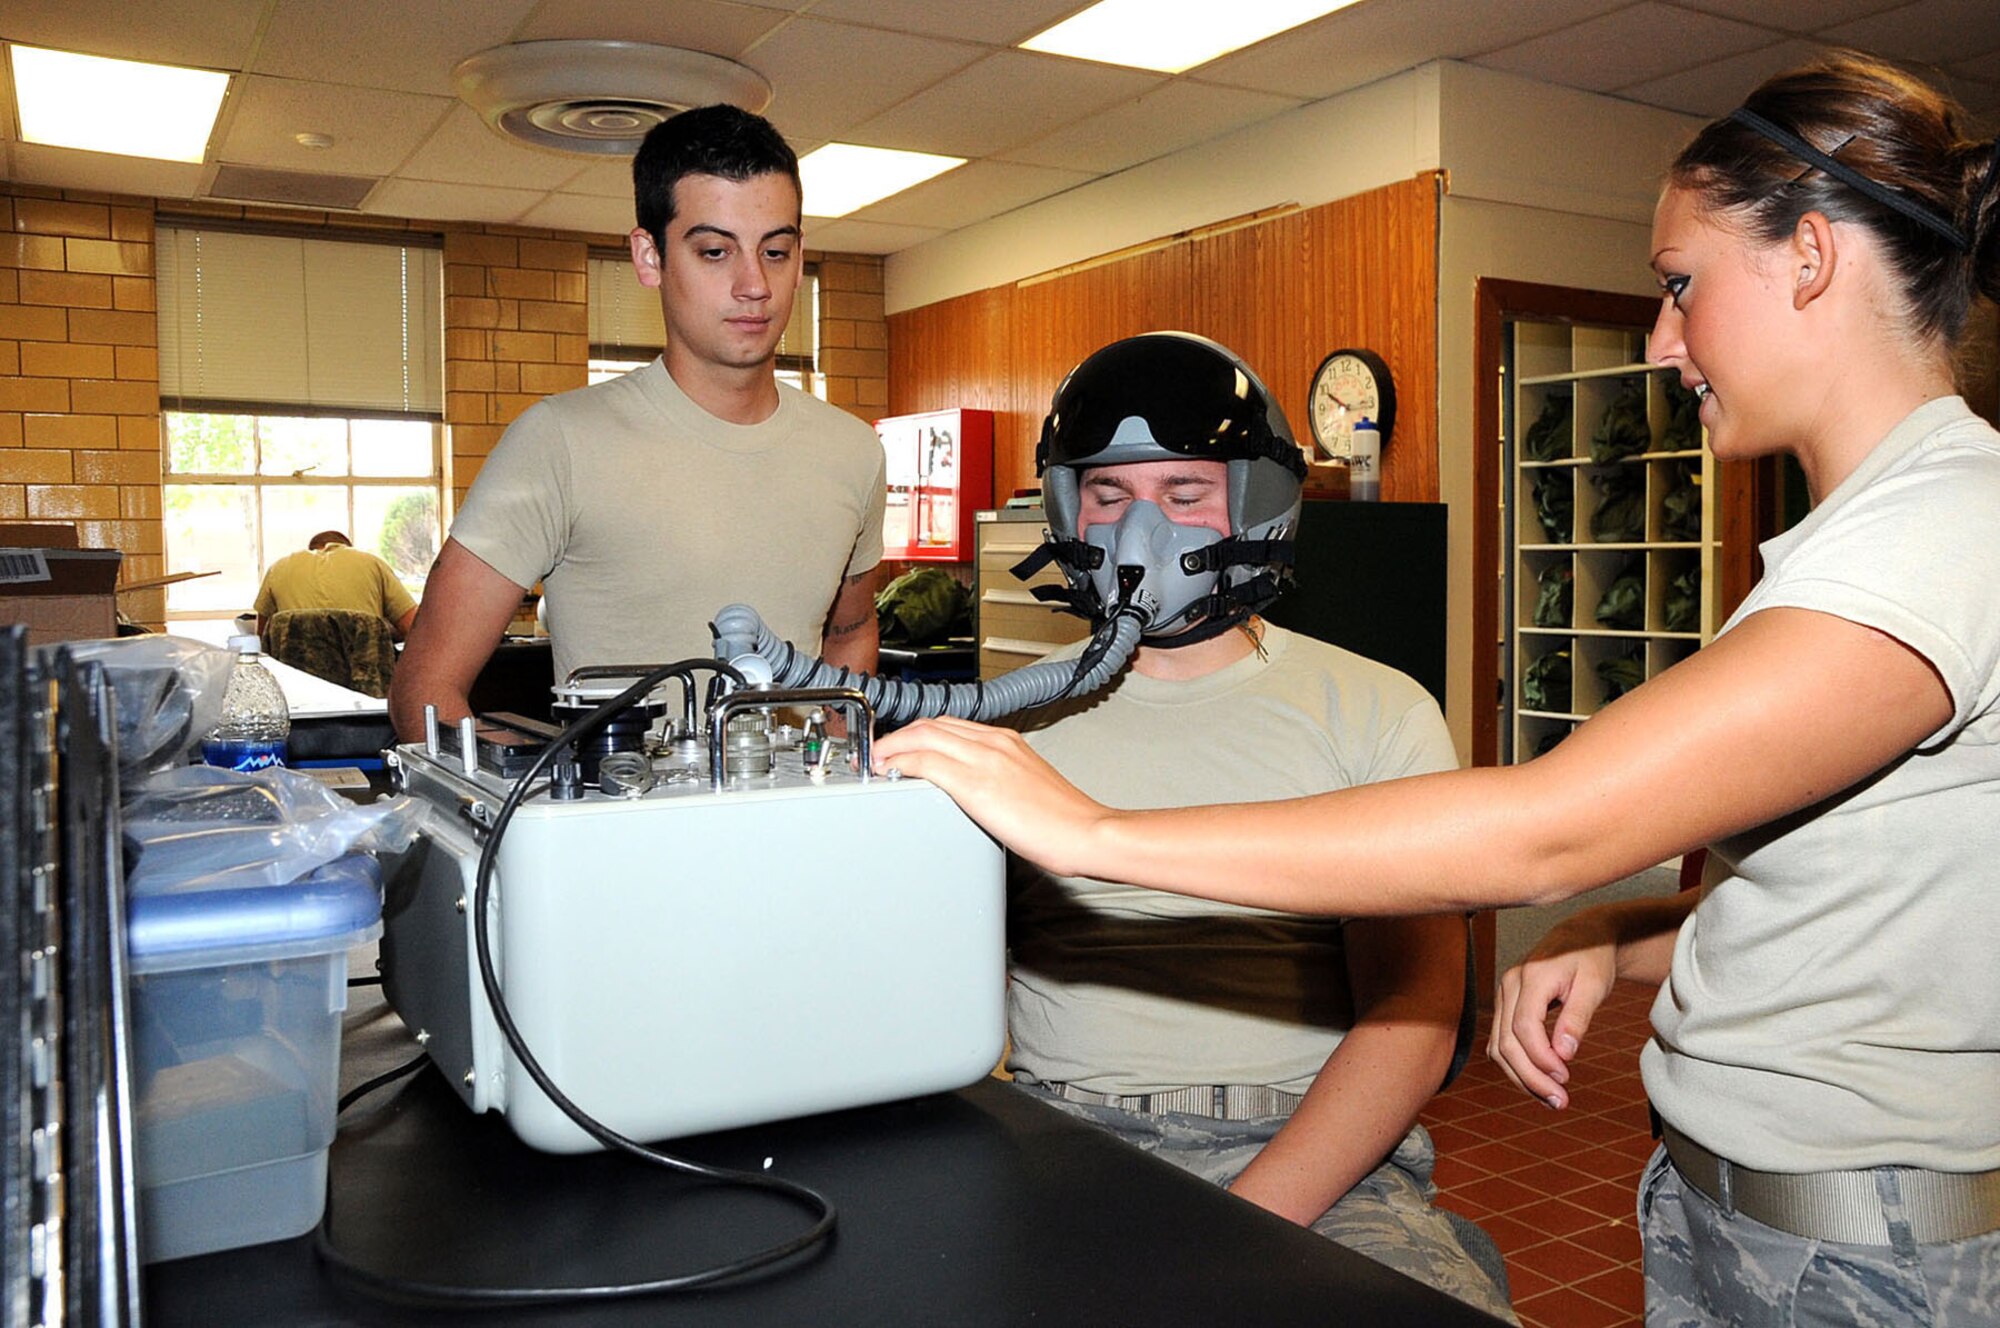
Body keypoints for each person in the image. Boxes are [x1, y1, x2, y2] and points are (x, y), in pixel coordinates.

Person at [874, 54, 2000, 1326]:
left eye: (1678, 285)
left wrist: (1091, 834)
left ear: (1805, 257)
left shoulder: (1942, 532)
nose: (1661, 337)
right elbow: (1858, 896)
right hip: (1741, 1202)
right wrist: (1620, 939)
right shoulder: (1851, 544)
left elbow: (1543, 828)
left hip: (1857, 1236)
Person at [1000, 333, 1513, 1321]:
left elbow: (1412, 1020)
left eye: (1182, 492)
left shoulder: (1374, 711)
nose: (1138, 524)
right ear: (1067, 510)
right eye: (1107, 494)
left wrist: (1241, 1224)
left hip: (1316, 1153)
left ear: (1256, 501)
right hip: (1063, 1142)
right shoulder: (1007, 724)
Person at [389, 104, 885, 739]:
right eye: (714, 251)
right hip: (616, 827)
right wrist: (541, 804)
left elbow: (850, 629)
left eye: (777, 251)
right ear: (649, 257)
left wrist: (831, 760)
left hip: (795, 829)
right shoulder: (559, 441)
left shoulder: (853, 451)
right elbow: (425, 690)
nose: (754, 284)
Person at [254, 529, 417, 638]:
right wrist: (382, 629)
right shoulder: (372, 563)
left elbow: (262, 638)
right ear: (347, 547)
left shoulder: (278, 568)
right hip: (364, 684)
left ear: (313, 549)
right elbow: (414, 628)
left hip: (295, 680)